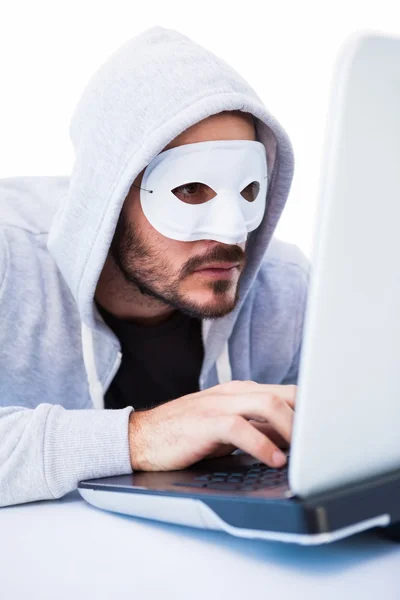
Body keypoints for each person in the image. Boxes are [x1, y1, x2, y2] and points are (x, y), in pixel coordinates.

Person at [0, 25, 310, 507]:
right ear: (105, 197)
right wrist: (140, 437)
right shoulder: (8, 257)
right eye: (189, 190)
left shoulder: (285, 289)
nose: (231, 233)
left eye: (249, 190)